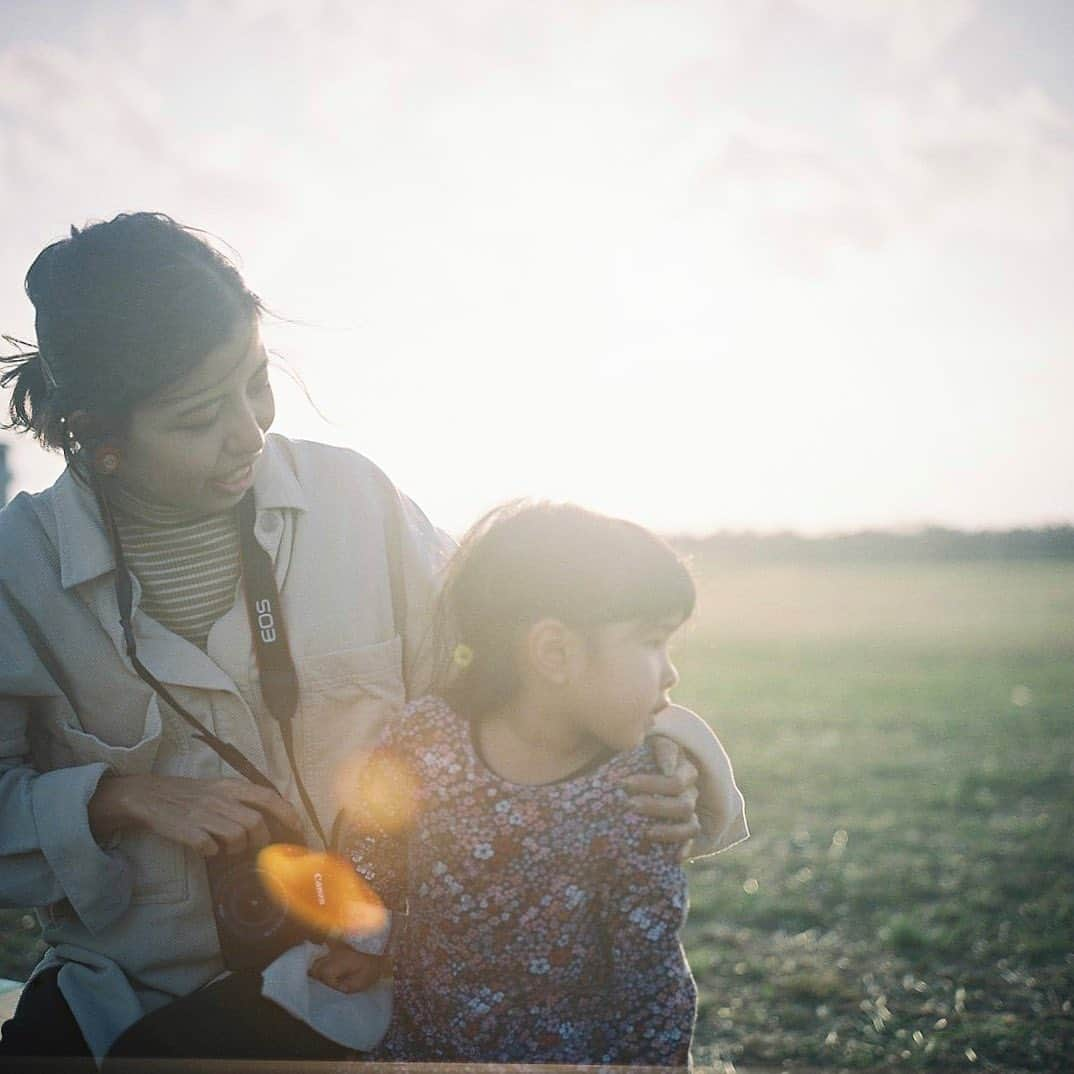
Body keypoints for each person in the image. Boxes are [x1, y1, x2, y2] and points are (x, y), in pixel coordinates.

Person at [0, 212, 746, 1064]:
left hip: (373, 973)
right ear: (97, 436)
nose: (249, 429)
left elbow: (538, 655)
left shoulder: (360, 502)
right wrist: (114, 797)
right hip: (131, 982)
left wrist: (673, 749)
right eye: (199, 415)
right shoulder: (14, 569)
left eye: (256, 380)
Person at [307, 501, 721, 1066]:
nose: (671, 671)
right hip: (425, 1045)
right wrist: (364, 943)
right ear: (554, 652)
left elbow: (649, 977)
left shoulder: (638, 792)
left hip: (567, 1061)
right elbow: (377, 841)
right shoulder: (426, 738)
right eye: (652, 641)